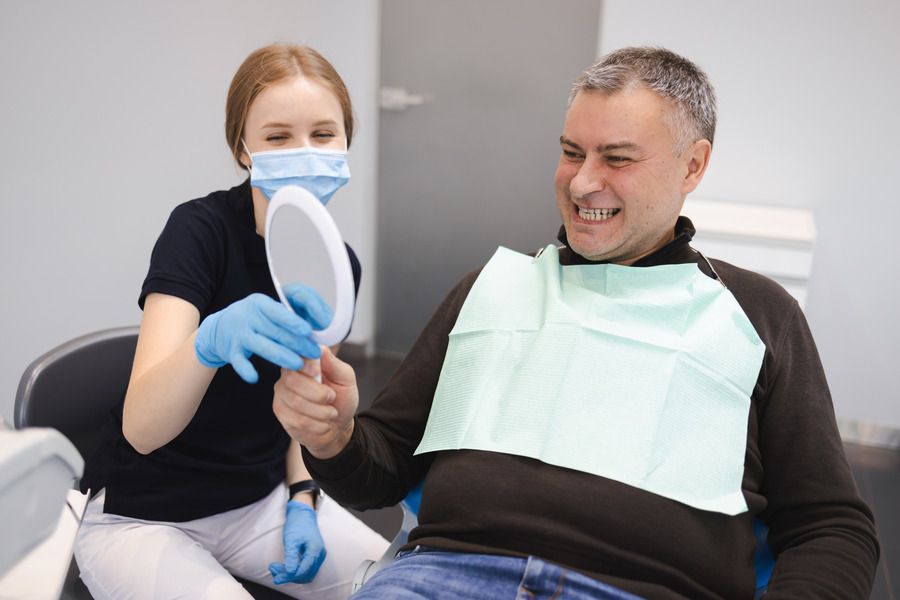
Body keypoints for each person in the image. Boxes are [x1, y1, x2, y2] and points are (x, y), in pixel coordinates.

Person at [273, 47, 880, 599]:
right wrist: (333, 438)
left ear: (692, 168)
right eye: (571, 152)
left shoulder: (757, 314)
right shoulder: (492, 288)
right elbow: (383, 467)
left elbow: (832, 527)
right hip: (443, 579)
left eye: (617, 158)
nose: (583, 181)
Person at [74, 44, 388, 600]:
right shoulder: (199, 231)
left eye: (323, 134)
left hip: (258, 503)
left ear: (346, 142)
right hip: (144, 514)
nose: (303, 150)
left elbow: (302, 408)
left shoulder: (339, 266)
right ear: (243, 150)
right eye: (277, 137)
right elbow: (142, 430)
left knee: (403, 585)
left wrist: (302, 498)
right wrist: (207, 345)